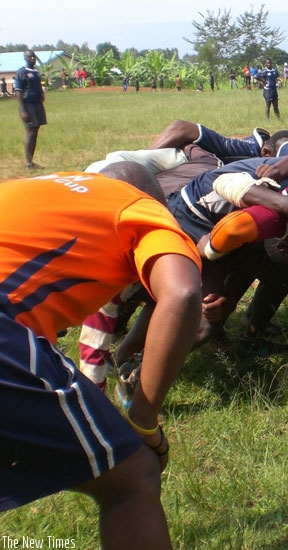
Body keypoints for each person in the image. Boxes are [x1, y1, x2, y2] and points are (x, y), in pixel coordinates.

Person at [0, 162, 202, 548]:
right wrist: (143, 422)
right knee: (133, 477)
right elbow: (182, 294)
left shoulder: (33, 188)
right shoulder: (140, 208)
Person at [14, 50, 47, 170]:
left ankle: (31, 162)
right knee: (30, 131)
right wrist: (23, 111)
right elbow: (18, 92)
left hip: (37, 104)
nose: (32, 58)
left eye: (33, 56)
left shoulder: (36, 72)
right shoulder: (21, 72)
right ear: (25, 58)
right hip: (27, 105)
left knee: (35, 130)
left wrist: (42, 94)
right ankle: (28, 163)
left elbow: (38, 86)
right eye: (29, 57)